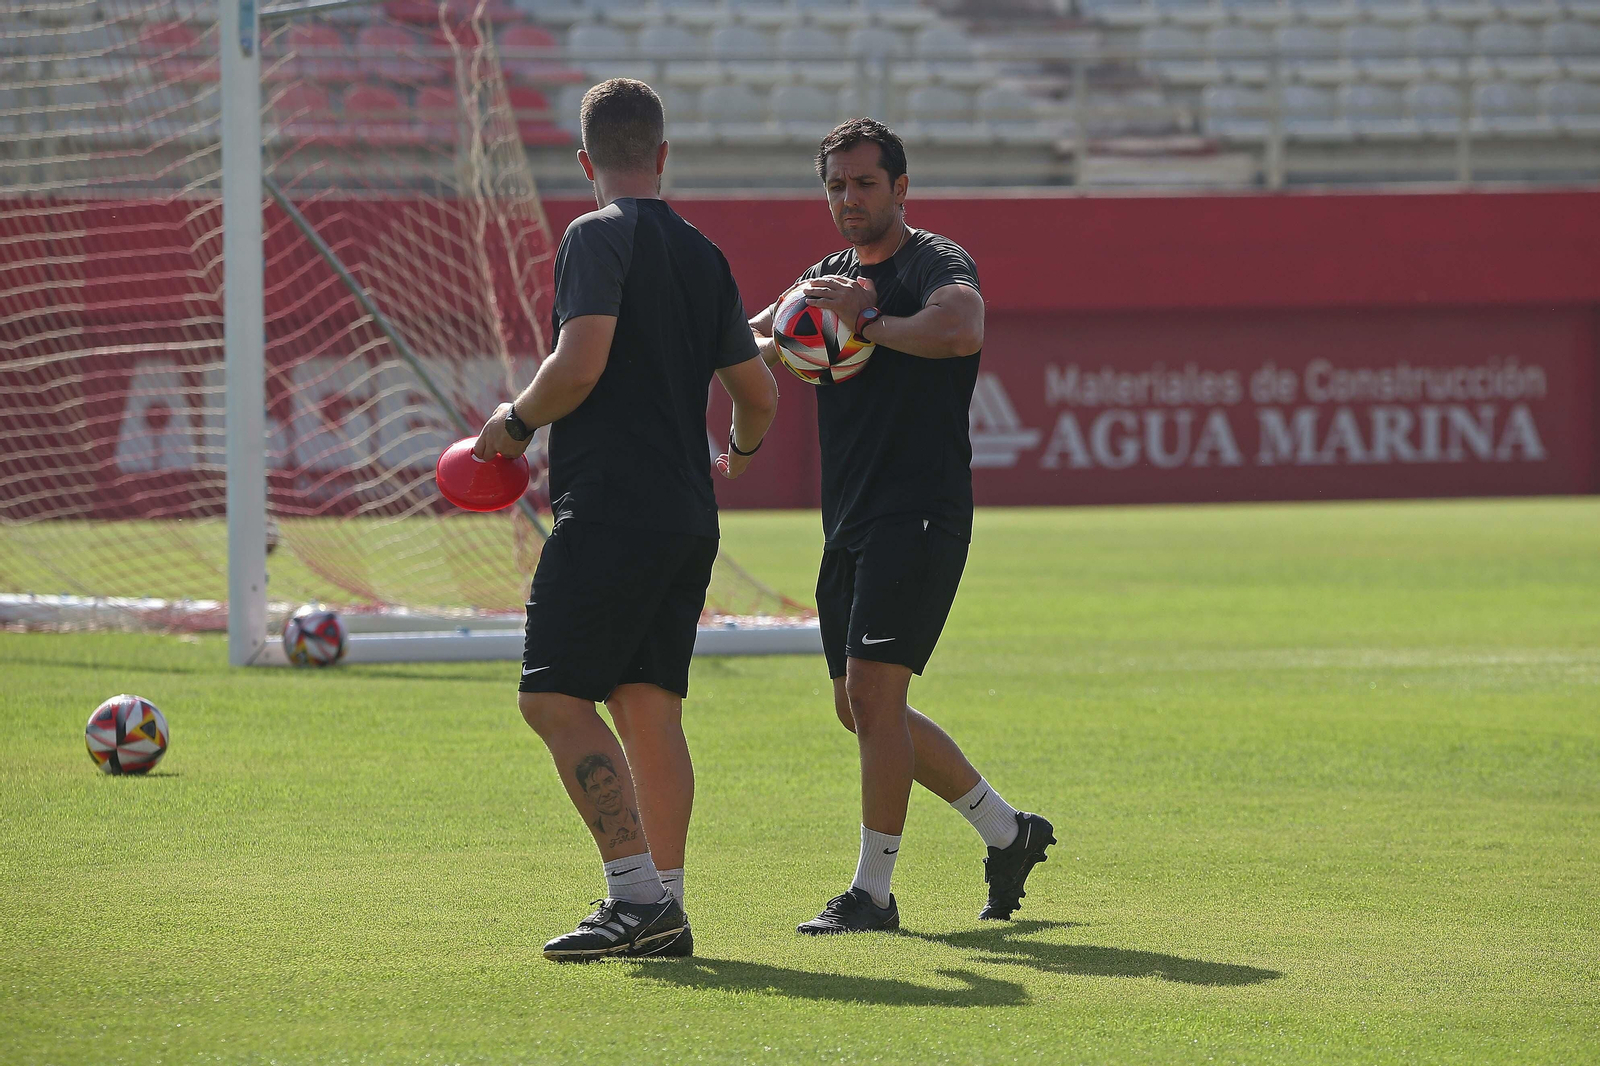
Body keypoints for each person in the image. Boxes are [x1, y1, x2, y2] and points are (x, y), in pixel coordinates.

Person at [474, 78, 778, 961]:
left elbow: (580, 362)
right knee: (649, 707)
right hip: (687, 511)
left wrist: (512, 425)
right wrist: (740, 456)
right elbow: (756, 397)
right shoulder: (704, 253)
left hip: (611, 507)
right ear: (664, 155)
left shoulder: (593, 234)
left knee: (551, 697)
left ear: (585, 163)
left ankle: (635, 898)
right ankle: (665, 907)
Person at [749, 119, 1055, 935]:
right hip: (847, 517)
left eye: (865, 184)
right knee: (858, 709)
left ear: (900, 188)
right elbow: (758, 340)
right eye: (837, 186)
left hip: (918, 510)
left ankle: (871, 896)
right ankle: (1009, 832)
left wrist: (871, 322)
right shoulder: (823, 277)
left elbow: (963, 328)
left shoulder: (935, 263)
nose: (849, 200)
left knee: (877, 700)